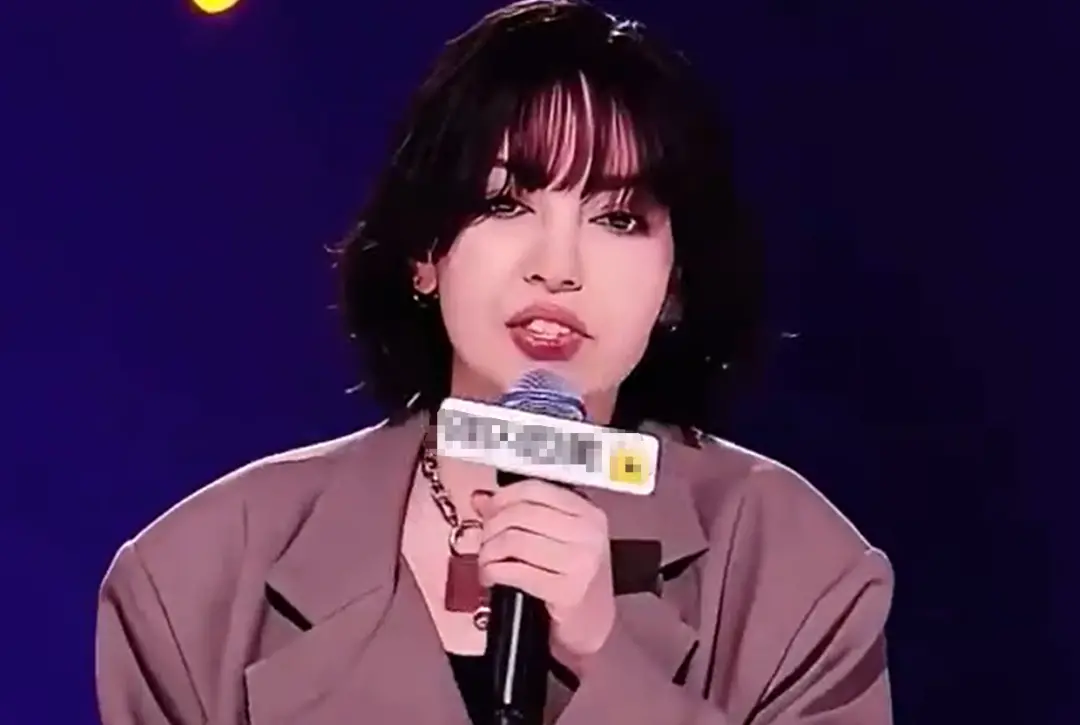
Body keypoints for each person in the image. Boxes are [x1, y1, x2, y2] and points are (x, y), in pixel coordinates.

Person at [95, 1, 894, 723]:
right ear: (424, 253)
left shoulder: (795, 572)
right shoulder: (198, 579)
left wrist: (607, 662)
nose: (558, 267)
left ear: (676, 282)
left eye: (618, 218)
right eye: (506, 203)